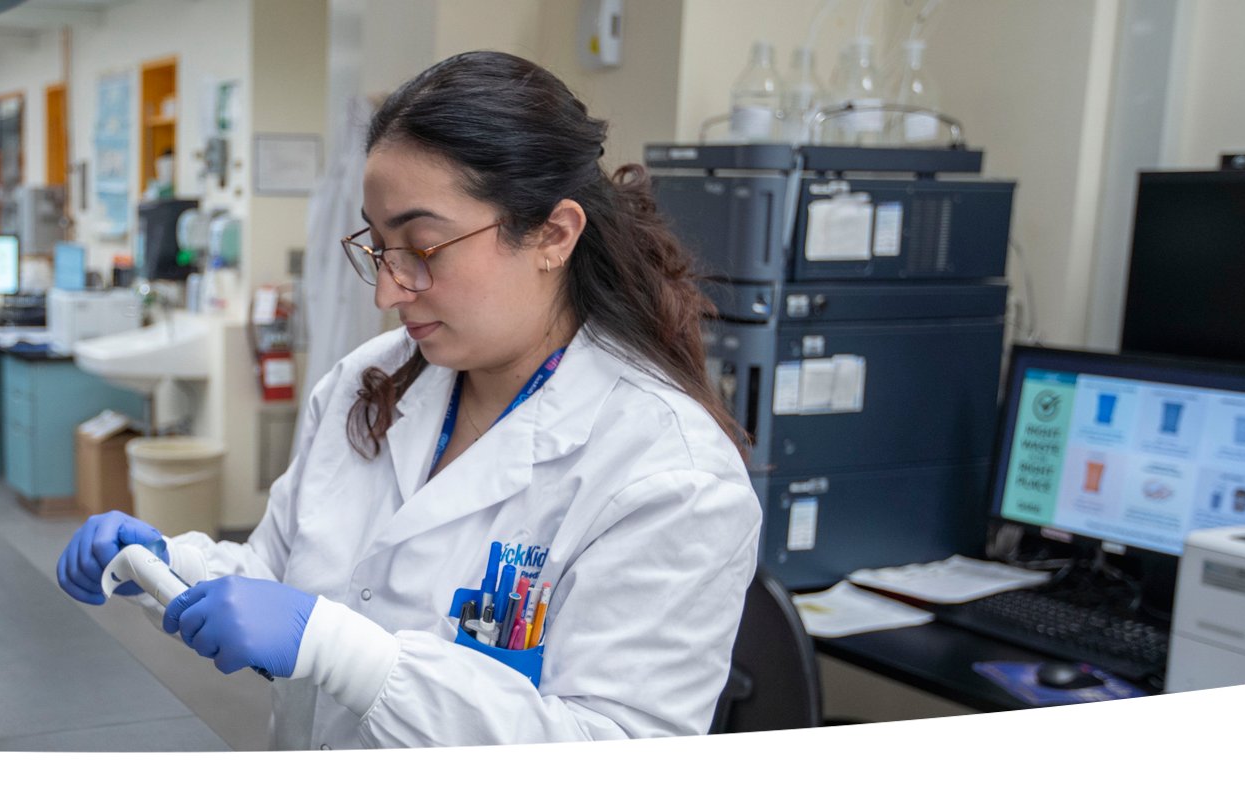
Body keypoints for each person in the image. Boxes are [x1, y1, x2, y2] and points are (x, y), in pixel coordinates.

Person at [57, 51, 761, 752]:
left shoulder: (671, 474)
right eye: (380, 245)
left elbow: (612, 741)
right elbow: (276, 578)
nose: (387, 292)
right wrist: (166, 566)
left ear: (553, 235)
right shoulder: (368, 382)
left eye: (424, 247)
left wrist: (348, 654)